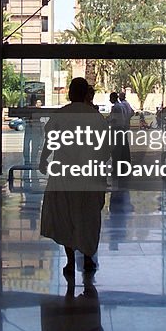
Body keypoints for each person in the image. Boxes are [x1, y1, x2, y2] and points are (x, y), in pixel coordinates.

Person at [39, 77, 108, 278]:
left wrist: (43, 161)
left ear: (71, 93)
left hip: (64, 175)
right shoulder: (95, 117)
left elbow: (49, 143)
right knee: (88, 217)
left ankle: (70, 261)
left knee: (65, 217)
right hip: (89, 176)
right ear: (85, 93)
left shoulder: (61, 115)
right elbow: (104, 149)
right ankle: (87, 257)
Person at [108, 91, 131, 179]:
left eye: (110, 98)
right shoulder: (123, 106)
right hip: (122, 128)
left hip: (116, 129)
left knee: (116, 150)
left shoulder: (116, 107)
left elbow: (114, 120)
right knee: (123, 149)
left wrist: (107, 121)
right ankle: (123, 167)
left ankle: (116, 168)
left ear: (113, 98)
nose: (110, 100)